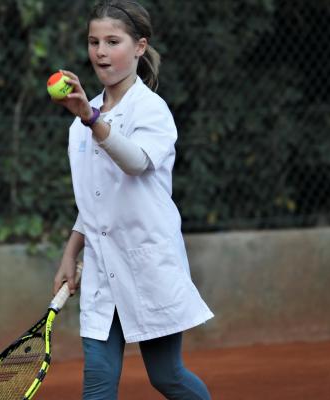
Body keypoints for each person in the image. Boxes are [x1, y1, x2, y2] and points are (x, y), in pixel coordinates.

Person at [51, 1, 214, 399]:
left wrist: (92, 121)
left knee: (167, 376)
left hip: (147, 266)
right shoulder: (82, 119)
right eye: (93, 42)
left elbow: (137, 163)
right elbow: (94, 199)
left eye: (112, 41)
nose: (100, 52)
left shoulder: (151, 110)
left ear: (139, 47)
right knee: (98, 382)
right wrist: (70, 254)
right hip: (103, 270)